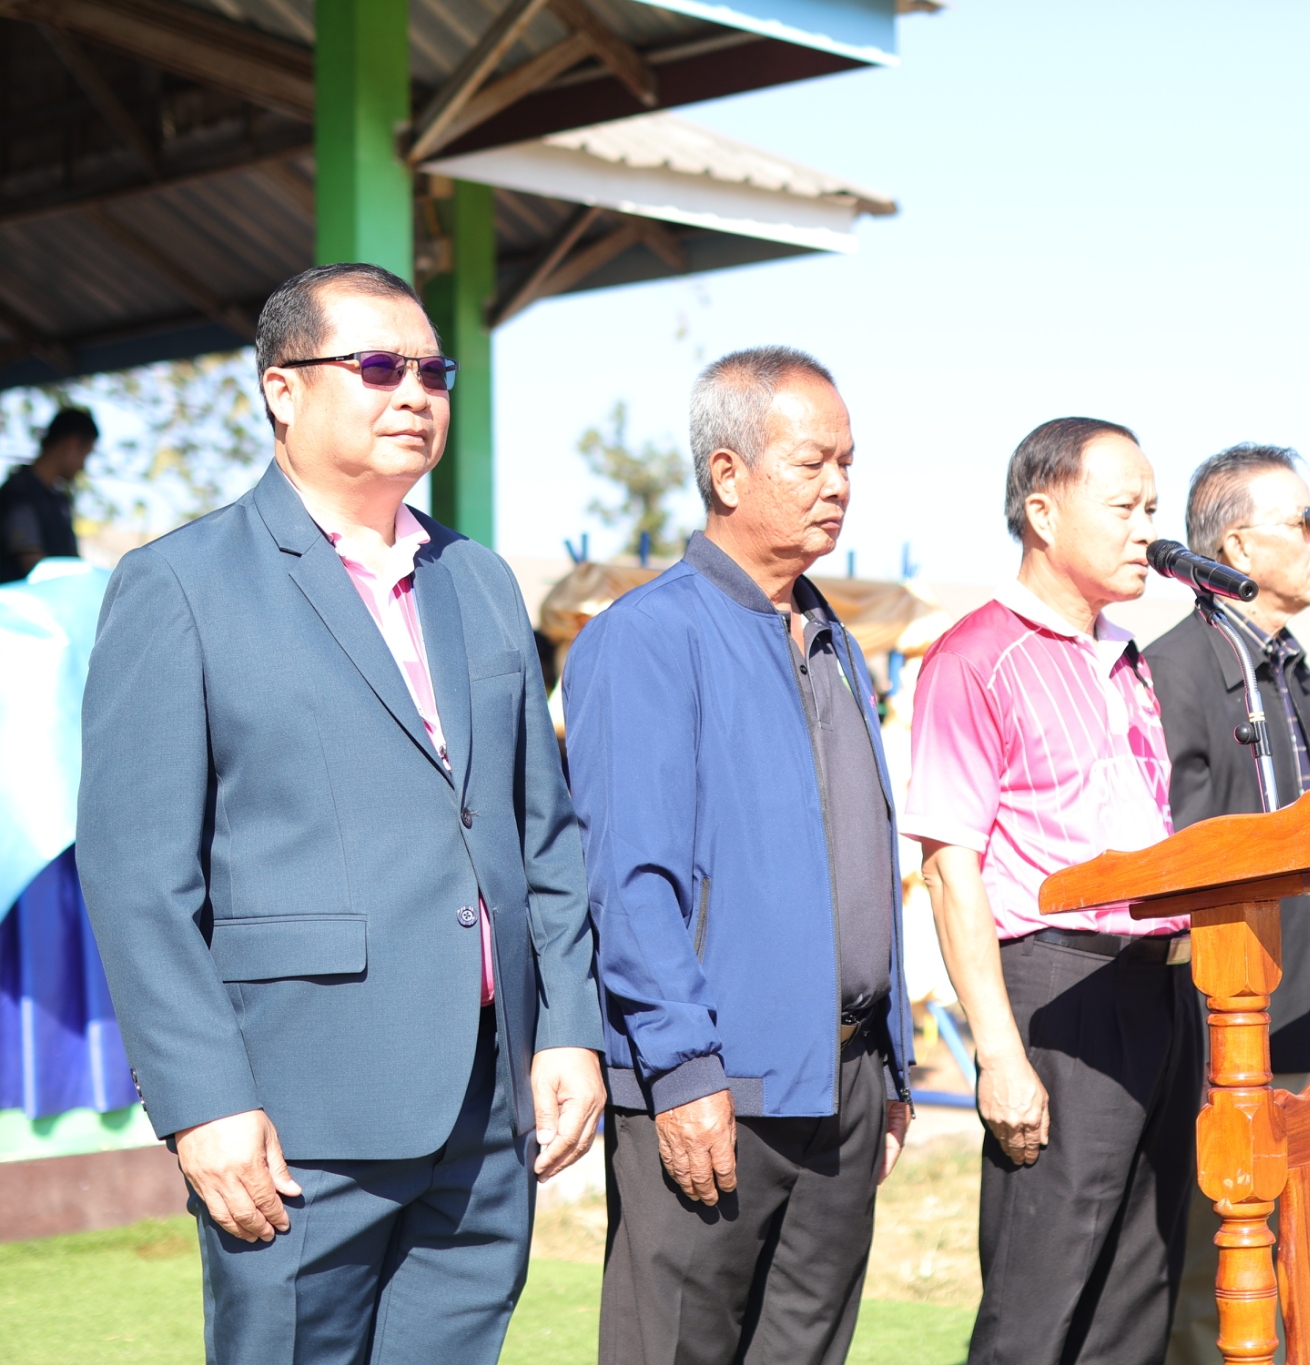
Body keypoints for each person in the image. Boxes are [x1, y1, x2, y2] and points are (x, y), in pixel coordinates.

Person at [75, 263, 604, 1365]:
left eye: (432, 371)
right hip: (294, 1119)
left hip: (487, 1112)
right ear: (283, 388)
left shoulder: (480, 581)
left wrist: (567, 1027)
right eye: (376, 366)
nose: (414, 391)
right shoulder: (181, 584)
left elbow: (541, 835)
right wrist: (202, 1101)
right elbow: (138, 882)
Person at [564, 347, 914, 1365]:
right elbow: (629, 883)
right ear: (727, 473)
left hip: (843, 1083)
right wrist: (680, 1068)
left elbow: (863, 852)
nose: (838, 484)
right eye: (812, 462)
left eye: (847, 462)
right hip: (718, 1085)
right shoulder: (646, 636)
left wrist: (888, 1061)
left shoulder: (830, 637)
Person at [904, 417, 1199, 1365]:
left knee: (1136, 1298)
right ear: (1042, 512)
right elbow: (950, 868)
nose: (1147, 530)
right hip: (1059, 991)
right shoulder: (975, 656)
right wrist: (997, 1051)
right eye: (1124, 507)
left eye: (1152, 507)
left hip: (1162, 986)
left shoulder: (1130, 658)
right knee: (1040, 1307)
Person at [1144, 444, 1310, 1365]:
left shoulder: (1292, 668)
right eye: (1304, 521)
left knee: (1305, 1242)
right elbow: (1188, 858)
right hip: (1230, 1005)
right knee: (1225, 1244)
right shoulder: (1175, 668)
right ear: (1238, 549)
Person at [1, 405, 96, 581]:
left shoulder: (60, 501)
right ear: (72, 445)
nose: (83, 466)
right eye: (86, 454)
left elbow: (73, 561)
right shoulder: (19, 493)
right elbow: (33, 564)